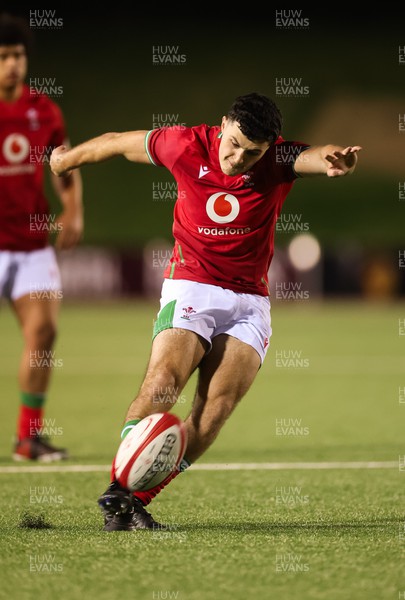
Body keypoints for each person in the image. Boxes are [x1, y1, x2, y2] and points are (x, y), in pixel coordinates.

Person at [50, 92, 361, 530]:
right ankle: (121, 487)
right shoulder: (185, 145)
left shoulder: (277, 159)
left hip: (249, 302)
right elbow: (119, 142)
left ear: (269, 147)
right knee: (163, 382)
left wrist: (332, 159)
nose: (238, 158)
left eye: (252, 152)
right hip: (192, 283)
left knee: (214, 411)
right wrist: (66, 162)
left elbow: (312, 156)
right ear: (222, 125)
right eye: (233, 143)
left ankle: (131, 497)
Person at [0, 13, 83, 461]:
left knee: (44, 332)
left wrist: (73, 209)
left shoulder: (45, 110)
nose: (12, 64)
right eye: (3, 57)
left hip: (31, 244)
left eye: (17, 55)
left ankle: (27, 438)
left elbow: (63, 164)